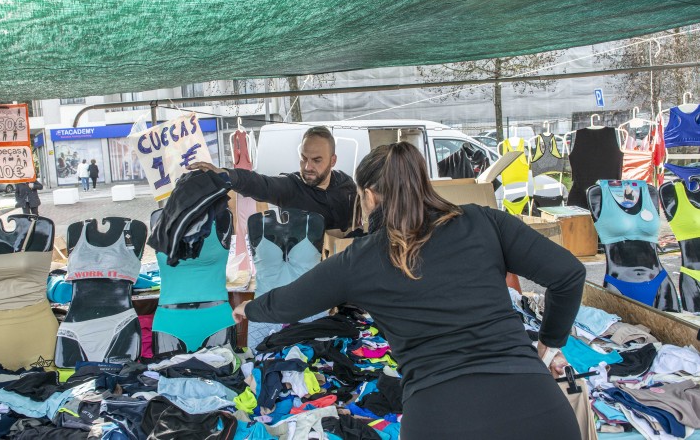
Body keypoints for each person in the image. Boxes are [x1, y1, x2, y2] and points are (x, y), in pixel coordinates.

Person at [233, 142, 586, 439]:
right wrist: (548, 343)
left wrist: (249, 310)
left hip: (442, 418)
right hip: (538, 406)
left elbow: (290, 301)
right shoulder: (484, 221)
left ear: (369, 195)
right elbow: (568, 274)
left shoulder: (360, 258)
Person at [189, 126, 357, 230]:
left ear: (333, 160)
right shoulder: (291, 188)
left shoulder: (346, 185)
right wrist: (226, 175)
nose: (308, 167)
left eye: (316, 160)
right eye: (304, 158)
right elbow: (260, 184)